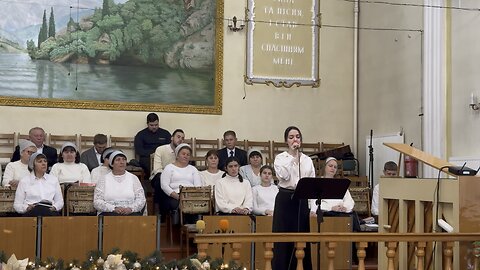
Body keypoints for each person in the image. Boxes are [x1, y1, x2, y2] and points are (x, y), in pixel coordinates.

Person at [272, 126, 315, 270]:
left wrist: (312, 207)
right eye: (291, 137)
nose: (294, 139)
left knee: (301, 236)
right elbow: (284, 176)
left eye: (297, 136)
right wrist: (293, 158)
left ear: (301, 140)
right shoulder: (280, 158)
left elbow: (311, 181)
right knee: (283, 238)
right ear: (286, 141)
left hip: (301, 199)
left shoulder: (308, 160)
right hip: (285, 199)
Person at [93, 151, 146, 216]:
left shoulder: (133, 178)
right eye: (118, 160)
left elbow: (141, 199)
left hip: (130, 213)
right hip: (109, 213)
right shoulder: (103, 179)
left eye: (124, 159)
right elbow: (97, 201)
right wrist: (113, 208)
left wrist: (130, 209)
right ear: (112, 164)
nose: (122, 162)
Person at [160, 143, 202, 221]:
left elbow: (198, 185)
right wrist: (177, 196)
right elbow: (164, 185)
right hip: (175, 196)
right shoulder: (169, 168)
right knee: (180, 205)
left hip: (191, 196)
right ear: (177, 155)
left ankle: (193, 229)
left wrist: (191, 196)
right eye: (183, 154)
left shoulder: (193, 169)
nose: (185, 156)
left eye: (188, 154)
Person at [150, 129, 185, 214]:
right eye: (178, 137)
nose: (180, 139)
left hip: (175, 178)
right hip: (160, 176)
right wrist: (168, 176)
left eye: (183, 138)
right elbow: (157, 169)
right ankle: (159, 210)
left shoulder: (183, 153)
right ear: (172, 138)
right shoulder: (161, 149)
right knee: (160, 179)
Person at [134, 113, 171, 177]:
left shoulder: (165, 134)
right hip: (147, 158)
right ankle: (154, 178)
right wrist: (152, 154)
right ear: (147, 124)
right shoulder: (141, 134)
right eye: (151, 125)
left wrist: (159, 154)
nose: (154, 127)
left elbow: (170, 147)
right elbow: (139, 150)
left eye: (156, 125)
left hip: (162, 157)